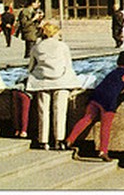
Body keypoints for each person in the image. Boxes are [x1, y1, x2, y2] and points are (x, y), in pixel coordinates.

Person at [63, 50, 124, 162]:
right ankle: (103, 151)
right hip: (109, 102)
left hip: (96, 97)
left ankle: (69, 140)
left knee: (87, 118)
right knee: (105, 126)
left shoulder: (113, 72)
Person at [26, 22, 82, 150]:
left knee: (43, 112)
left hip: (42, 82)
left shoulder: (37, 47)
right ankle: (59, 140)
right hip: (61, 81)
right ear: (53, 33)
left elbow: (31, 66)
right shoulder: (62, 46)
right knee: (60, 111)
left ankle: (43, 140)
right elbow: (68, 65)